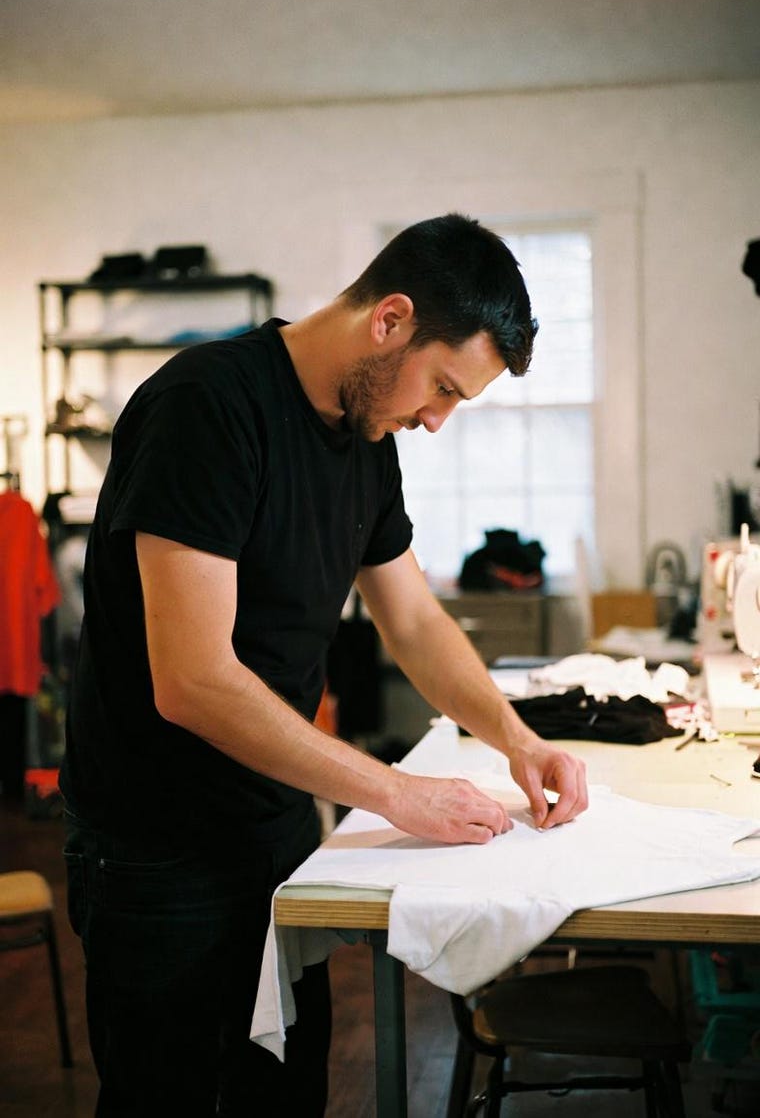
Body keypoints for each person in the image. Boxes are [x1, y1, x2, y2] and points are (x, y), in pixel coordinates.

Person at [60, 213, 588, 1117]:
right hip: (155, 846)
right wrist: (394, 792)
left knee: (282, 1091)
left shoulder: (367, 442)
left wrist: (517, 738)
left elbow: (413, 621)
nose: (436, 420)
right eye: (443, 387)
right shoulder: (207, 407)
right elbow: (192, 681)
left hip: (273, 825)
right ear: (390, 319)